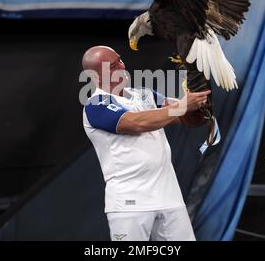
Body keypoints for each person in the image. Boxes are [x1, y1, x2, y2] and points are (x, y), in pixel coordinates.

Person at [81, 45, 209, 241]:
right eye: (113, 66)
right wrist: (183, 106)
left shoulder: (145, 94)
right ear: (95, 76)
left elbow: (190, 118)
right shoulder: (96, 105)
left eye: (120, 60)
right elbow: (136, 123)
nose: (122, 67)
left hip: (169, 197)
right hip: (130, 203)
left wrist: (199, 92)